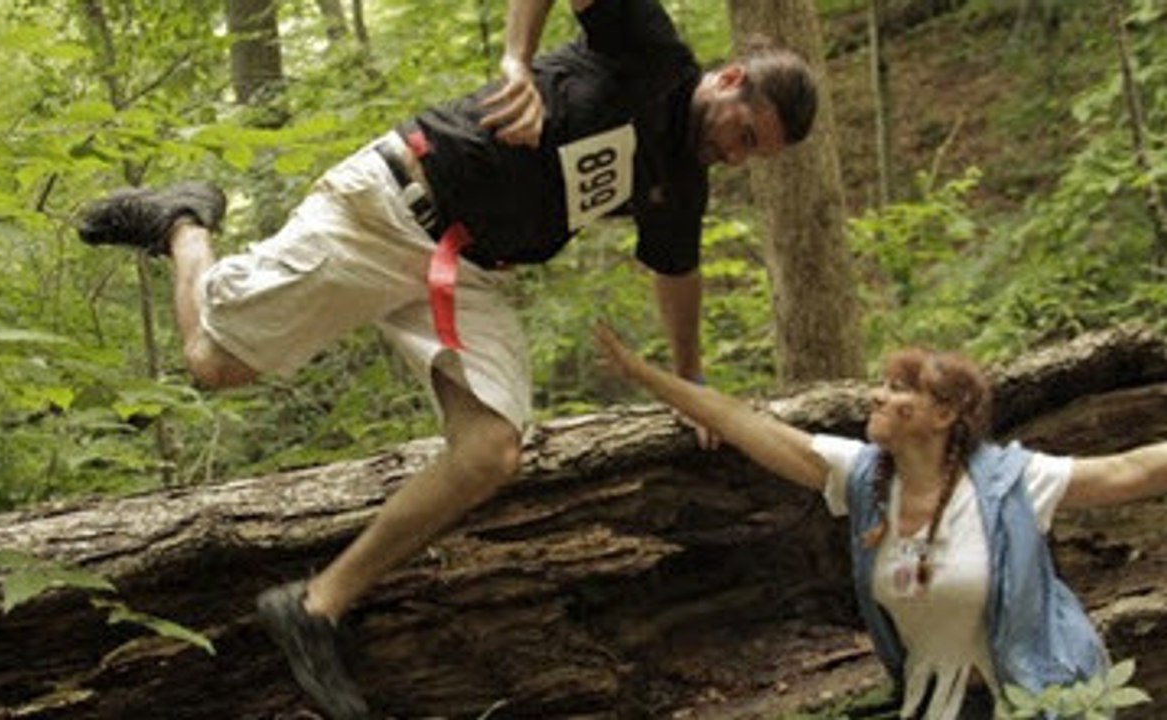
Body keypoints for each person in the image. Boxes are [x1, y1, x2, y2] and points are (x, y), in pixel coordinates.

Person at [75, 0, 817, 716]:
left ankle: (314, 607)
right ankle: (181, 222)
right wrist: (515, 64)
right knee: (212, 362)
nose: (736, 156)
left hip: (468, 271)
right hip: (391, 207)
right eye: (744, 134)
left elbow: (675, 274)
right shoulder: (653, 51)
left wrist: (689, 382)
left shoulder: (683, 182)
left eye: (755, 154)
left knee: (491, 449)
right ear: (727, 81)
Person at [592, 321, 1167, 719]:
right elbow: (745, 423)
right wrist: (643, 373)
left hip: (1041, 700)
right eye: (884, 383)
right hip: (933, 705)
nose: (875, 396)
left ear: (943, 414)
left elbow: (1132, 470)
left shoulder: (1009, 482)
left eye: (898, 389)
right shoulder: (863, 477)